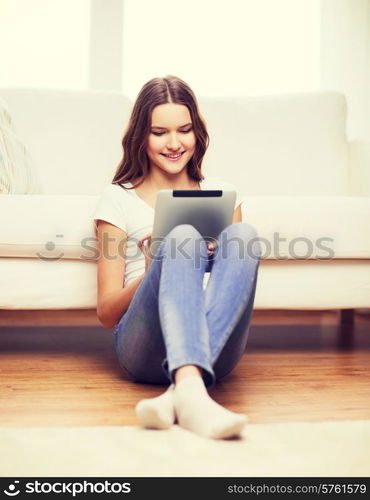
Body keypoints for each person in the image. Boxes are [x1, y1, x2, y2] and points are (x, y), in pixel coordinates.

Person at [93, 75, 261, 440]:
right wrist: (155, 269)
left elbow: (232, 290)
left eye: (184, 130)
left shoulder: (225, 194)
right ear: (142, 136)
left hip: (215, 342)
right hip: (145, 346)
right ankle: (189, 389)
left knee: (244, 236)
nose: (174, 143)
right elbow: (106, 313)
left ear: (197, 133)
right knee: (182, 237)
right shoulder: (118, 199)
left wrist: (212, 257)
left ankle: (181, 392)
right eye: (159, 132)